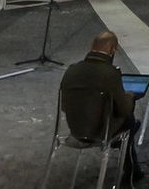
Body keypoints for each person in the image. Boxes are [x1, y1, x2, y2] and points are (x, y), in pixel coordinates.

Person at [60, 30, 142, 181]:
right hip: (99, 132)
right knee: (131, 120)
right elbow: (123, 109)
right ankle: (131, 171)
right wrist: (130, 97)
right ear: (113, 50)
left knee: (128, 119)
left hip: (76, 130)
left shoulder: (71, 70)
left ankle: (130, 163)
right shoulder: (110, 73)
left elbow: (64, 107)